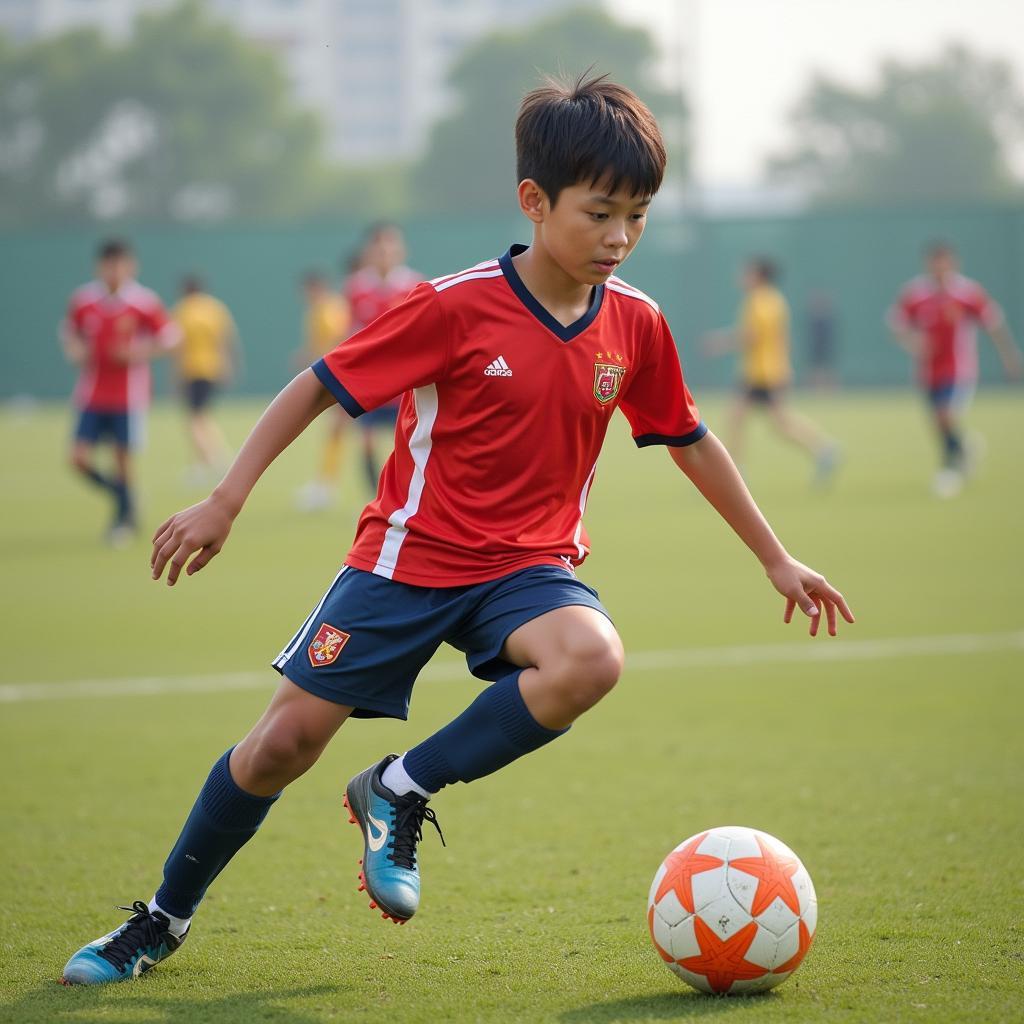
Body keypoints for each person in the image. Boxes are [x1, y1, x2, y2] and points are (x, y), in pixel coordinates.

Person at [61, 74, 853, 985]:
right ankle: (160, 919)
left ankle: (399, 788)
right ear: (534, 201)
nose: (620, 237)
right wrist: (227, 498)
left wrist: (776, 557)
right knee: (281, 747)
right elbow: (321, 381)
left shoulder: (636, 322)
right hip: (406, 562)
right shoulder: (456, 305)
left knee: (591, 656)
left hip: (528, 570)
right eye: (600, 214)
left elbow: (688, 437)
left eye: (638, 216)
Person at [61, 238, 178, 546]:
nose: (114, 270)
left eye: (120, 264)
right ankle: (126, 498)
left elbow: (170, 338)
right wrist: (75, 350)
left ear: (131, 266)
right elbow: (69, 332)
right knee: (78, 458)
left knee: (122, 460)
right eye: (109, 264)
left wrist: (138, 351)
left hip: (127, 395)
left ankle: (123, 518)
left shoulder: (143, 302)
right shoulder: (84, 300)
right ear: (100, 266)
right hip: (91, 393)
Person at [889, 241, 1022, 498]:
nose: (939, 268)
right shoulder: (916, 293)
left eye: (944, 262)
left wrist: (1010, 357)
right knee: (938, 423)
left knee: (945, 415)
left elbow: (994, 324)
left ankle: (949, 470)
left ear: (953, 263)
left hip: (959, 368)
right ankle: (965, 447)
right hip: (928, 371)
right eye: (934, 263)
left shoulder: (967, 292)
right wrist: (913, 342)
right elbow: (896, 325)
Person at [704, 258, 839, 484]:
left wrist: (720, 342)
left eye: (747, 272)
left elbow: (751, 336)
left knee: (758, 421)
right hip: (768, 371)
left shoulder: (759, 301)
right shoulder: (775, 300)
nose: (742, 276)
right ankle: (823, 450)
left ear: (759, 276)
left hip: (762, 374)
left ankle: (823, 450)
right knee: (756, 420)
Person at [343, 223, 423, 489]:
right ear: (368, 252)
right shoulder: (357, 288)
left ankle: (404, 491)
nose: (385, 252)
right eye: (378, 247)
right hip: (369, 380)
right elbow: (351, 331)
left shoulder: (414, 285)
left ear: (401, 250)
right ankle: (373, 495)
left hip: (403, 382)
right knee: (365, 439)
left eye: (390, 245)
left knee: (404, 440)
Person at [294, 271, 351, 510]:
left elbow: (341, 338)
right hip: (335, 374)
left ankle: (325, 487)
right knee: (336, 430)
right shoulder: (319, 310)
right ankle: (325, 484)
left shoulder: (328, 309)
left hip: (341, 375)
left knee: (338, 429)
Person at [173, 275, 239, 484]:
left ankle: (215, 461)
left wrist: (175, 375)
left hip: (192, 369)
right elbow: (227, 338)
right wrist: (229, 365)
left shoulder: (182, 310)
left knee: (194, 419)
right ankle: (205, 463)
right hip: (213, 367)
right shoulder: (215, 309)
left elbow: (177, 345)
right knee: (202, 416)